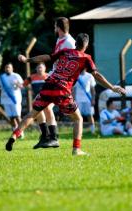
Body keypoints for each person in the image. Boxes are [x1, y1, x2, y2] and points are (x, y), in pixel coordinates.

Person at [5, 33, 126, 156]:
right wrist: (112, 87)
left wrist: (27, 60)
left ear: (75, 43)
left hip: (48, 85)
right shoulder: (86, 58)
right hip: (62, 90)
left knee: (32, 114)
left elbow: (47, 57)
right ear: (86, 45)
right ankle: (76, 149)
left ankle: (14, 136)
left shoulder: (65, 51)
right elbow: (97, 75)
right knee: (78, 118)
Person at [33, 17, 76, 149]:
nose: (54, 28)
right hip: (53, 77)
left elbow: (74, 63)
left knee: (40, 105)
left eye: (55, 25)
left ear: (58, 26)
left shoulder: (69, 42)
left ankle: (50, 137)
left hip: (60, 81)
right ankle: (48, 137)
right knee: (42, 106)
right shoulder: (60, 39)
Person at [23, 63, 49, 145]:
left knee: (47, 116)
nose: (40, 69)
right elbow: (24, 84)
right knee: (39, 117)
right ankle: (44, 133)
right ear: (36, 69)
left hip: (47, 99)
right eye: (38, 67)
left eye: (41, 67)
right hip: (37, 100)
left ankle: (49, 134)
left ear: (45, 68)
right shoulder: (32, 77)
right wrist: (29, 88)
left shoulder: (48, 76)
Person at [0, 63, 24, 133]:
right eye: (6, 67)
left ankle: (21, 131)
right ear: (4, 69)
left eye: (9, 67)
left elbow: (22, 86)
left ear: (12, 68)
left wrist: (17, 83)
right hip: (5, 99)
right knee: (11, 117)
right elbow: (0, 87)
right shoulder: (2, 77)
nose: (7, 69)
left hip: (15, 99)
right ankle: (15, 131)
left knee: (17, 116)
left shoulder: (16, 76)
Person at [73, 69, 96, 134]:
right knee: (78, 116)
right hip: (78, 99)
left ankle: (93, 131)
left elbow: (93, 89)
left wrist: (93, 99)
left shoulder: (90, 76)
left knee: (90, 115)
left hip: (88, 99)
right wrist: (73, 100)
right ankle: (79, 132)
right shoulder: (76, 76)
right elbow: (73, 89)